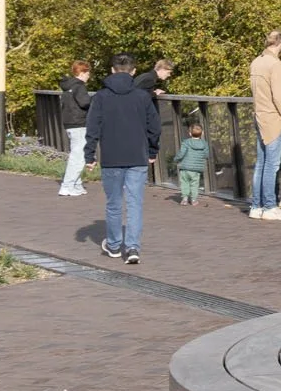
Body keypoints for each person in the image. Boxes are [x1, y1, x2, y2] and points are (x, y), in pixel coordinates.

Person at [84, 52, 160, 264]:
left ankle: (114, 245)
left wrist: (89, 155)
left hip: (111, 157)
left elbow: (92, 127)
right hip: (137, 156)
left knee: (114, 204)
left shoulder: (100, 97)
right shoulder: (142, 97)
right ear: (133, 71)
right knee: (135, 204)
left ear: (112, 70)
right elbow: (154, 127)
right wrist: (152, 151)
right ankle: (133, 247)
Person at [248, 30, 281, 221]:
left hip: (259, 116)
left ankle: (256, 206)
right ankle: (269, 207)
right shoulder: (275, 64)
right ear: (280, 44)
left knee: (261, 163)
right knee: (271, 165)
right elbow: (279, 96)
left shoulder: (256, 62)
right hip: (273, 119)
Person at [56, 60, 94, 196]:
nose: (89, 76)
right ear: (82, 73)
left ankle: (77, 185)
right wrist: (94, 101)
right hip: (79, 123)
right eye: (88, 73)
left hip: (69, 123)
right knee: (78, 156)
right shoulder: (79, 86)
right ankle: (67, 186)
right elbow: (84, 103)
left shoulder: (67, 86)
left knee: (76, 153)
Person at [175, 122, 210, 206]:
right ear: (202, 133)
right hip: (196, 170)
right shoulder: (204, 144)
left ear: (190, 133)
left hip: (185, 167)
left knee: (184, 183)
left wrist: (176, 159)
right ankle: (194, 200)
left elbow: (181, 153)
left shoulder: (186, 142)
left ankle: (184, 199)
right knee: (194, 184)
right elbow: (206, 155)